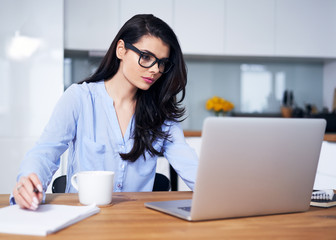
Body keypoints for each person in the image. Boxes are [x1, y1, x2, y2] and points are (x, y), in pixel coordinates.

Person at [11, 14, 198, 210]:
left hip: (138, 222)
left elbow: (188, 163)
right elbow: (45, 152)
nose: (155, 70)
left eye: (162, 63)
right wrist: (28, 182)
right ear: (121, 50)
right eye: (146, 57)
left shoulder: (161, 113)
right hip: (82, 220)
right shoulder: (79, 98)